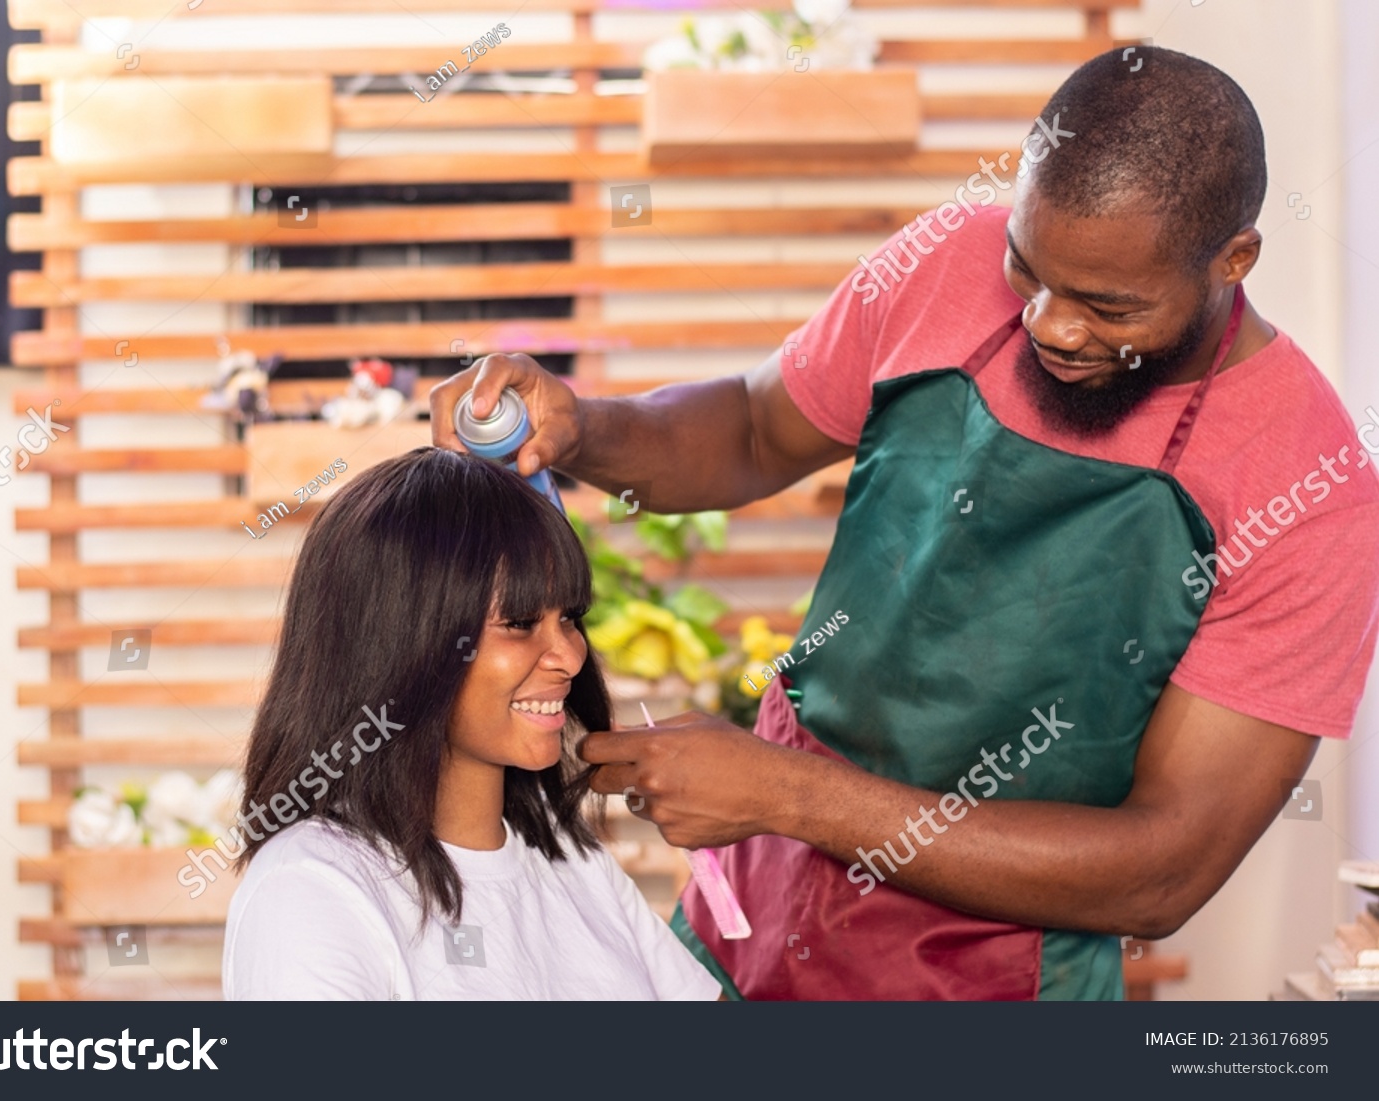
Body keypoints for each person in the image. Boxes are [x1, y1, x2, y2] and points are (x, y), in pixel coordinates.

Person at [430, 46, 1379, 1000]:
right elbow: (752, 429)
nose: (1050, 325)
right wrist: (585, 426)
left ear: (1236, 259)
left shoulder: (1308, 489)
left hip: (989, 987)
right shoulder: (945, 266)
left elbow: (1161, 870)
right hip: (750, 916)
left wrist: (785, 793)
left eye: (1106, 307)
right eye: (1028, 269)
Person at [222, 448, 721, 1001]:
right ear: (399, 643)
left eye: (570, 619)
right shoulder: (310, 890)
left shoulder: (572, 859)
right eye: (520, 623)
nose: (570, 657)